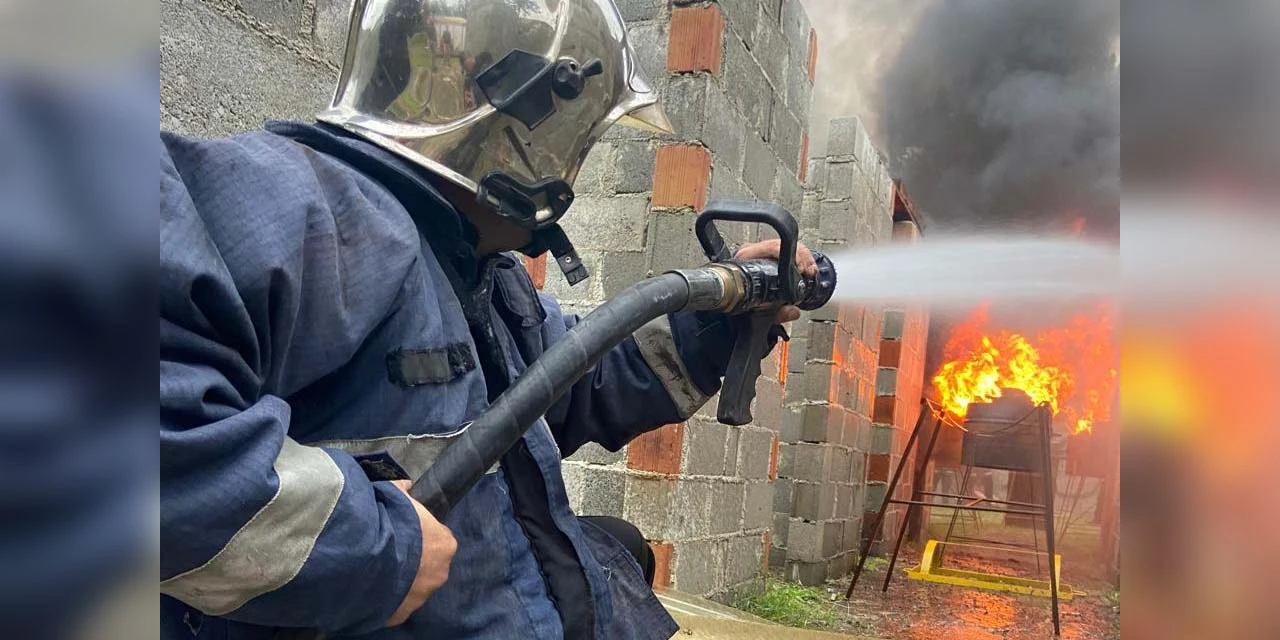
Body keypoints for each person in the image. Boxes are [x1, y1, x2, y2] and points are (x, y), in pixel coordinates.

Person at [159, 1, 816, 639]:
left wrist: (719, 324)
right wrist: (378, 550)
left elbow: (573, 377)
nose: (574, 164)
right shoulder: (300, 205)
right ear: (519, 123)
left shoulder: (472, 268)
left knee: (620, 546)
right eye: (577, 137)